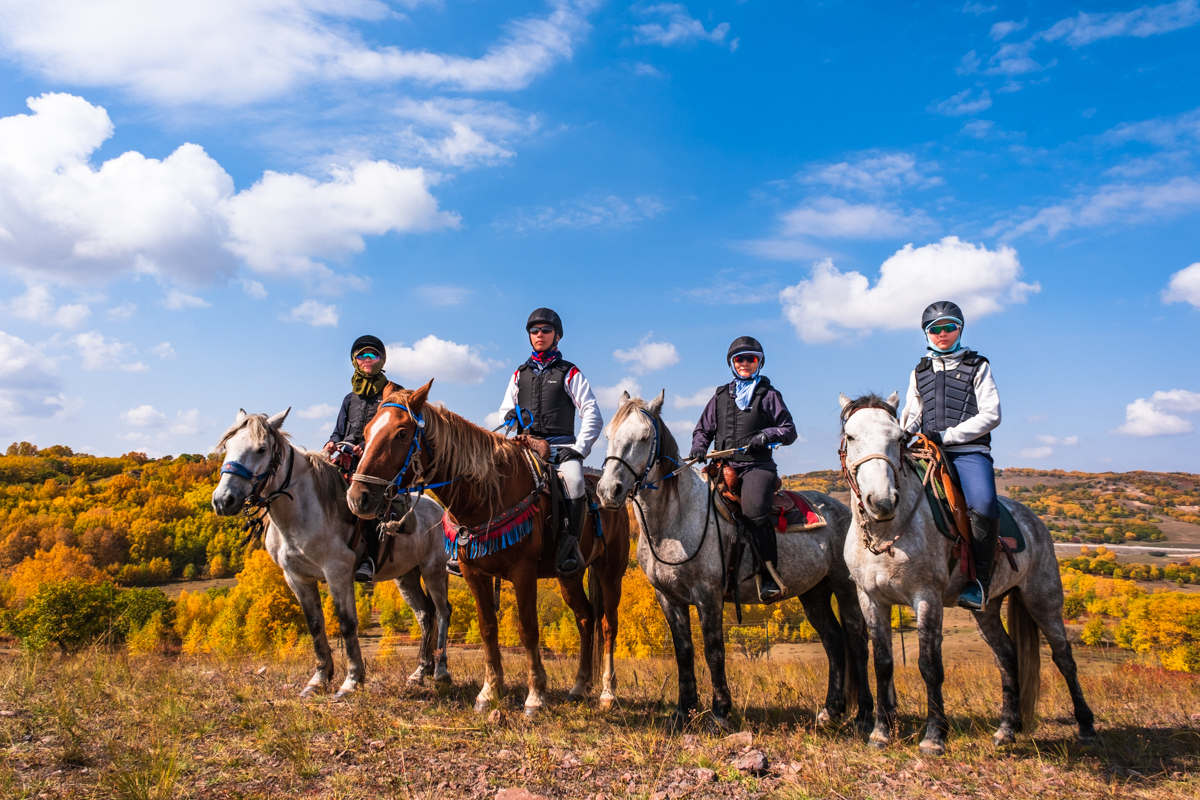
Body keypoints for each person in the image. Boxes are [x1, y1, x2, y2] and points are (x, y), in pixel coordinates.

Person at [900, 301, 1002, 611]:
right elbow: (913, 415)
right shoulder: (919, 371)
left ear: (959, 329)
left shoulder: (978, 365)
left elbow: (992, 414)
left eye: (949, 327)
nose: (942, 334)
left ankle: (980, 582)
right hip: (928, 452)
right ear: (926, 334)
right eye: (935, 329)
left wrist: (947, 436)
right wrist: (902, 435)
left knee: (983, 504)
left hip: (969, 452)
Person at [486, 308, 602, 578]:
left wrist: (578, 450)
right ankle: (479, 545)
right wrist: (508, 416)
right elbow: (505, 411)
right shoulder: (519, 374)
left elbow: (592, 413)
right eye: (534, 330)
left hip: (561, 449)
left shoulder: (569, 372)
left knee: (574, 481)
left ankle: (570, 547)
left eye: (546, 330)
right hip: (524, 447)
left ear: (557, 335)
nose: (540, 334)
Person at [690, 336, 798, 603]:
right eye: (739, 359)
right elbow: (703, 429)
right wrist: (699, 446)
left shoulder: (769, 395)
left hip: (756, 467)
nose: (745, 363)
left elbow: (789, 430)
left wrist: (767, 435)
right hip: (723, 466)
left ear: (759, 362)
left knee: (752, 510)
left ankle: (769, 575)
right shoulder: (719, 396)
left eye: (751, 359)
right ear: (732, 363)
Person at [324, 334, 397, 583]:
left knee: (370, 504)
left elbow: (388, 430)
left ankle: (369, 560)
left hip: (374, 460)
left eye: (373, 355)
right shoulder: (349, 398)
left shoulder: (390, 394)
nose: (367, 359)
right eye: (361, 355)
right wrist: (331, 443)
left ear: (381, 360)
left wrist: (365, 447)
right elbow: (338, 431)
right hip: (344, 456)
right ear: (354, 361)